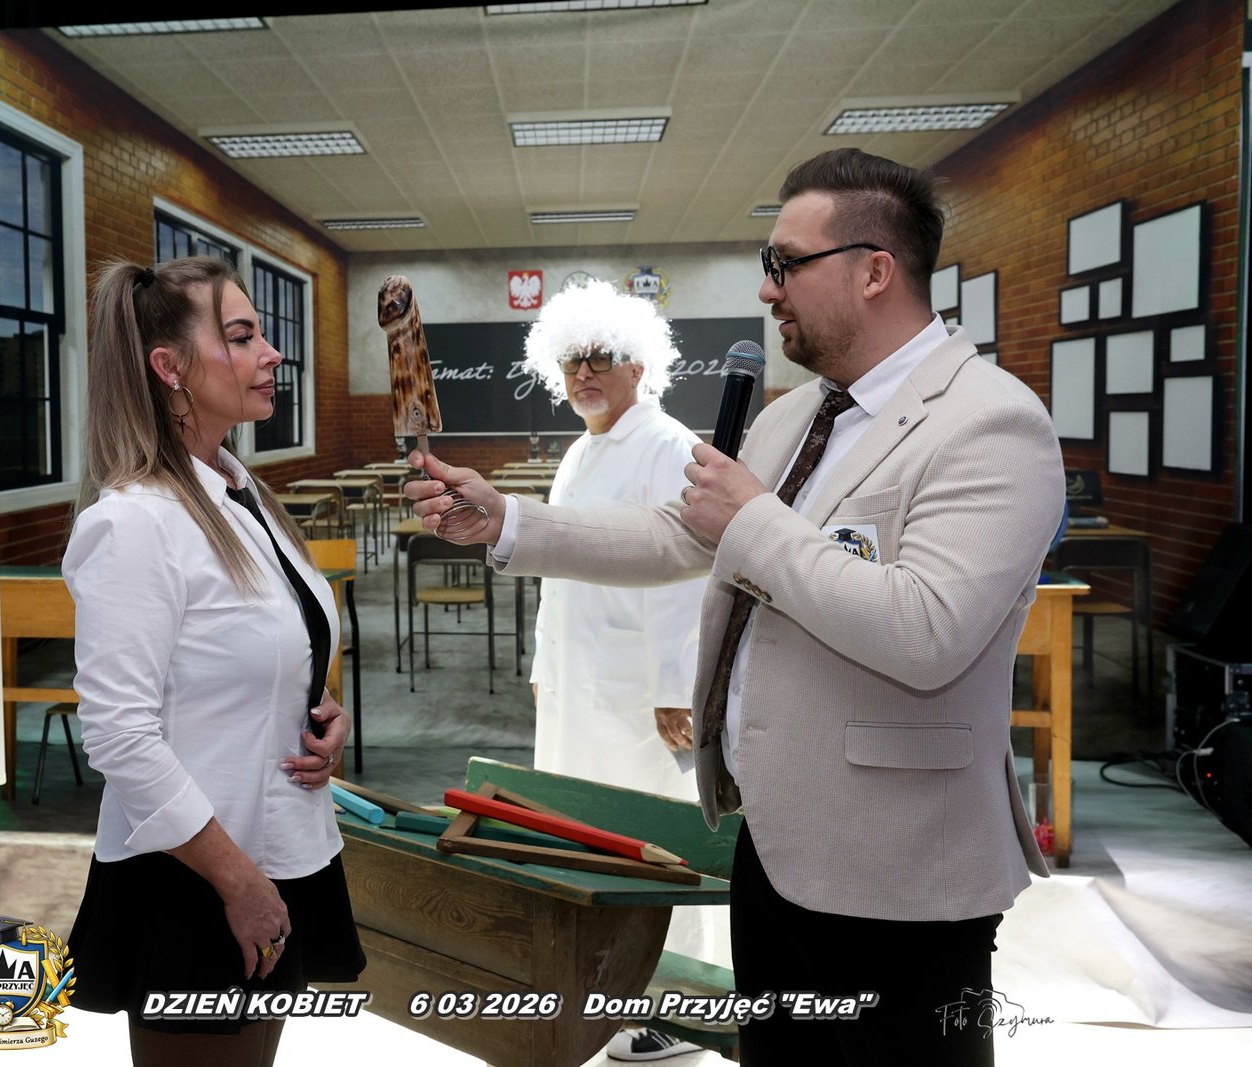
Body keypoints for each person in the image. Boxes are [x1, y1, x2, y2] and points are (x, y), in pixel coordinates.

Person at [407, 148, 1065, 1065]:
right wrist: (507, 520)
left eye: (785, 264)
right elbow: (680, 536)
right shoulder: (796, 418)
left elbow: (927, 630)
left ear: (874, 270)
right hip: (774, 838)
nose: (767, 290)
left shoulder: (989, 421)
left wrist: (752, 517)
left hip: (899, 865)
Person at [62, 256, 365, 1067]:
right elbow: (119, 735)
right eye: (241, 336)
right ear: (170, 368)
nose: (272, 353)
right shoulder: (135, 522)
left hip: (277, 847)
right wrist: (235, 880)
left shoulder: (239, 490)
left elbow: (267, 645)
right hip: (196, 873)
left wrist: (317, 708)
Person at [521, 281, 712, 1061]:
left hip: (641, 697)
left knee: (657, 840)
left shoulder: (669, 446)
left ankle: (676, 1007)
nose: (583, 374)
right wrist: (544, 659)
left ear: (639, 364)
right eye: (571, 361)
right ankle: (608, 992)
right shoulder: (579, 451)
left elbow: (691, 573)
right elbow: (556, 567)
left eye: (600, 358)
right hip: (579, 689)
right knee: (590, 838)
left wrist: (675, 685)